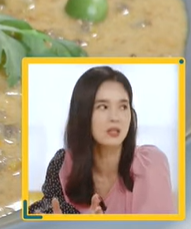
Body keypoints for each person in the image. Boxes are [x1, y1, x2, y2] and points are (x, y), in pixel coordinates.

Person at [28, 65, 175, 215]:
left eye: (123, 107)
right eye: (103, 107)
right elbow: (41, 211)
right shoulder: (62, 164)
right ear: (83, 114)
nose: (115, 117)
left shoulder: (150, 163)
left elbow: (159, 228)